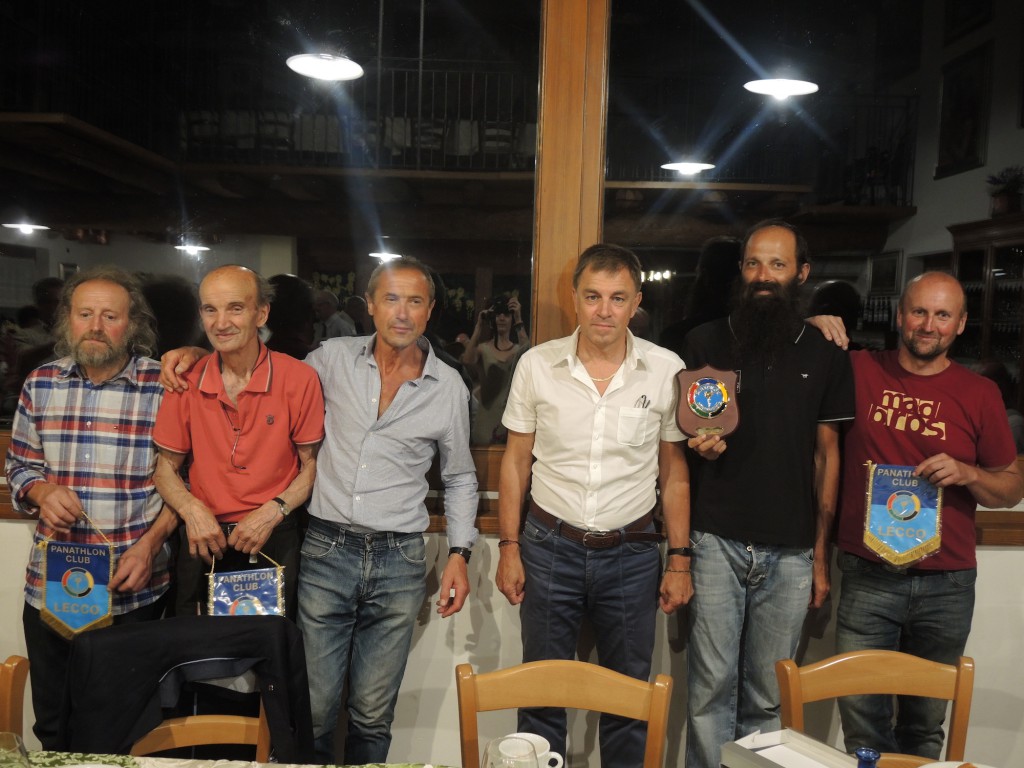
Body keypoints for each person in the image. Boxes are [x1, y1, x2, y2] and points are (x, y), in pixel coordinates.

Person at [159, 256, 477, 765]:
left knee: (372, 714)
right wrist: (199, 354)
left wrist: (460, 552)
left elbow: (459, 477)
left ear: (430, 309)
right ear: (369, 305)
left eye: (415, 301)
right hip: (327, 550)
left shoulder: (449, 388)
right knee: (312, 708)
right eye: (391, 299)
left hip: (399, 559)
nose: (401, 313)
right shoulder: (329, 360)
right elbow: (252, 362)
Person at [496, 243, 692, 768]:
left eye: (617, 298)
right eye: (593, 297)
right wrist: (508, 547)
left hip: (632, 553)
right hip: (547, 548)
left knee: (629, 697)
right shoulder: (537, 365)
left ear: (636, 302)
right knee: (541, 692)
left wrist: (679, 559)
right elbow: (515, 463)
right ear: (574, 298)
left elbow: (674, 474)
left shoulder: (665, 369)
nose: (604, 310)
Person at [827, 273, 1023, 759]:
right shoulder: (859, 369)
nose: (928, 325)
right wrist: (813, 321)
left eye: (942, 315)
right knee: (862, 728)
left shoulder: (980, 393)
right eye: (919, 311)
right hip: (868, 573)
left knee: (924, 726)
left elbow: (1010, 488)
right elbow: (794, 347)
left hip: (947, 583)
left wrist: (969, 473)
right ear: (900, 316)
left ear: (961, 324)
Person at [681, 220, 855, 768]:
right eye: (754, 263)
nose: (763, 275)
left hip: (792, 550)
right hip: (715, 539)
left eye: (777, 264)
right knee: (709, 691)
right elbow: (689, 435)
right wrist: (701, 449)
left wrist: (821, 557)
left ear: (801, 273)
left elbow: (827, 457)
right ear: (741, 270)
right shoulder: (705, 340)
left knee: (766, 697)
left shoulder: (825, 349)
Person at [5, 266, 178, 748]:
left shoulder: (164, 387)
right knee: (54, 727)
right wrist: (42, 492)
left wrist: (150, 545)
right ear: (68, 320)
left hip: (132, 587)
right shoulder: (41, 383)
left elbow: (189, 486)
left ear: (133, 324)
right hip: (53, 588)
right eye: (85, 314)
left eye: (110, 316)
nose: (96, 326)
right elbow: (20, 467)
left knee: (126, 732)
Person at [153, 265, 324, 618]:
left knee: (267, 646)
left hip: (272, 533)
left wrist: (273, 511)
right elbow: (164, 469)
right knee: (198, 646)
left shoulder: (299, 378)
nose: (221, 322)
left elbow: (311, 466)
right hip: (203, 535)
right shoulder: (185, 380)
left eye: (235, 308)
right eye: (210, 309)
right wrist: (191, 510)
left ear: (261, 313)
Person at [461, 294, 530, 444]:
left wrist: (518, 319)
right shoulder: (483, 348)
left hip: (510, 419)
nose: (502, 318)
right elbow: (467, 360)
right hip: (485, 419)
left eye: (506, 315)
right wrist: (479, 326)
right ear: (492, 318)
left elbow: (529, 354)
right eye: (498, 315)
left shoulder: (518, 350)